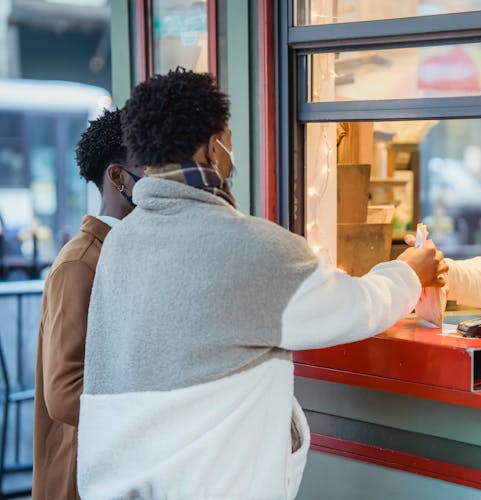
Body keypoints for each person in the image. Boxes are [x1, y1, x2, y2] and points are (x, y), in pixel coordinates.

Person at [77, 68, 445, 499]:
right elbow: (356, 307)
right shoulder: (249, 249)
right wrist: (408, 272)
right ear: (214, 147)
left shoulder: (120, 245)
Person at [33, 109, 142, 500]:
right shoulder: (80, 264)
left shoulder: (131, 252)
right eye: (152, 165)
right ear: (117, 177)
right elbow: (63, 392)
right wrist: (153, 414)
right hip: (82, 480)